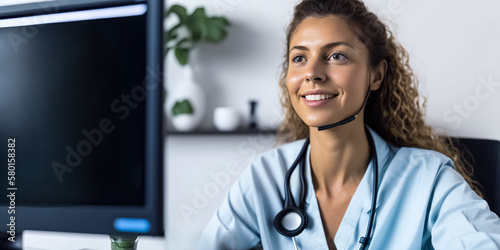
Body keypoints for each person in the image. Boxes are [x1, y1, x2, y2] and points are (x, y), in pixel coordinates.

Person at [198, 0, 500, 249]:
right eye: (299, 58)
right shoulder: (265, 176)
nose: (312, 73)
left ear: (376, 75)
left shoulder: (428, 178)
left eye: (336, 56)